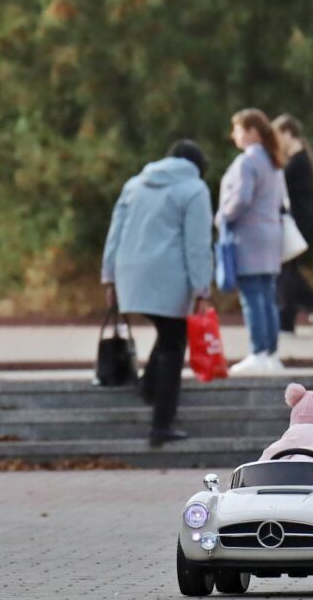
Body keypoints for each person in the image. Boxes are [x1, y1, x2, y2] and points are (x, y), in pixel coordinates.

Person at [101, 140, 213, 447]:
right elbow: (197, 243)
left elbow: (116, 232)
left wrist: (109, 277)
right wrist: (202, 288)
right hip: (169, 275)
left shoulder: (135, 184)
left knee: (168, 336)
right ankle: (161, 424)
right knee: (174, 345)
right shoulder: (194, 189)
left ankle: (149, 387)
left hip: (129, 271)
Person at [217, 108, 286, 374]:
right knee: (267, 296)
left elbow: (242, 198)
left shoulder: (247, 162)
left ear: (251, 132)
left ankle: (257, 351)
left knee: (251, 296)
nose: (234, 134)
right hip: (271, 235)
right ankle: (271, 352)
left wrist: (223, 215)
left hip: (249, 237)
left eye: (237, 129)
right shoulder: (273, 161)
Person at [274, 114, 313, 333]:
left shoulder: (298, 161)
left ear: (288, 133)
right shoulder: (300, 159)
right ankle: (287, 319)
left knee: (285, 269)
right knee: (286, 270)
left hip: (298, 221)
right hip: (300, 220)